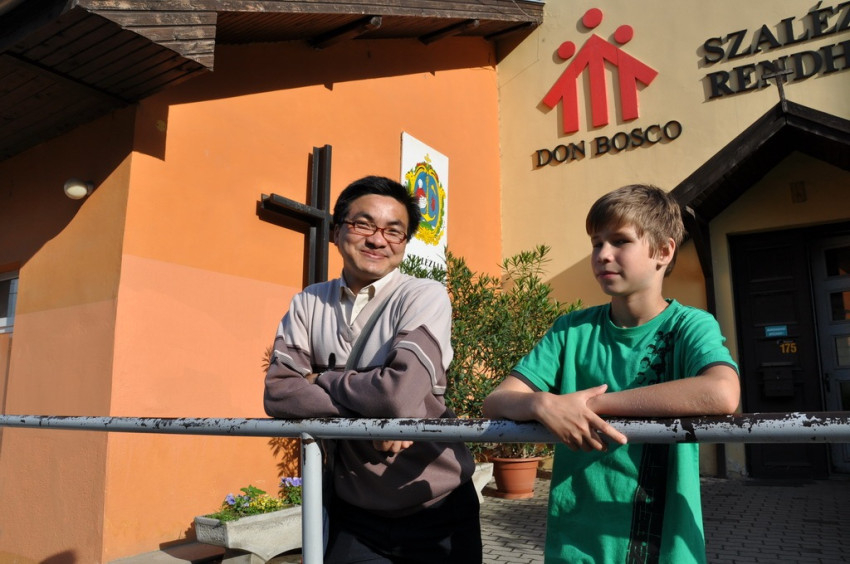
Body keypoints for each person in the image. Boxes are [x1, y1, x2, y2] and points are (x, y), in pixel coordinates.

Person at [483, 184, 740, 564]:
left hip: (665, 547)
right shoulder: (571, 330)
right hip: (575, 545)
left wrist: (591, 405)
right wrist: (543, 404)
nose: (603, 254)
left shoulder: (690, 325)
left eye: (620, 241)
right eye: (596, 243)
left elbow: (722, 393)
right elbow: (497, 400)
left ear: (664, 251)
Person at [264, 175, 481, 563]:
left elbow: (397, 396)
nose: (378, 240)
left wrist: (320, 379)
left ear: (405, 243)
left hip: (437, 504)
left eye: (393, 231)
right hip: (355, 515)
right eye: (363, 224)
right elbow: (279, 393)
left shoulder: (423, 295)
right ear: (336, 232)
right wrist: (376, 414)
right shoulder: (309, 303)